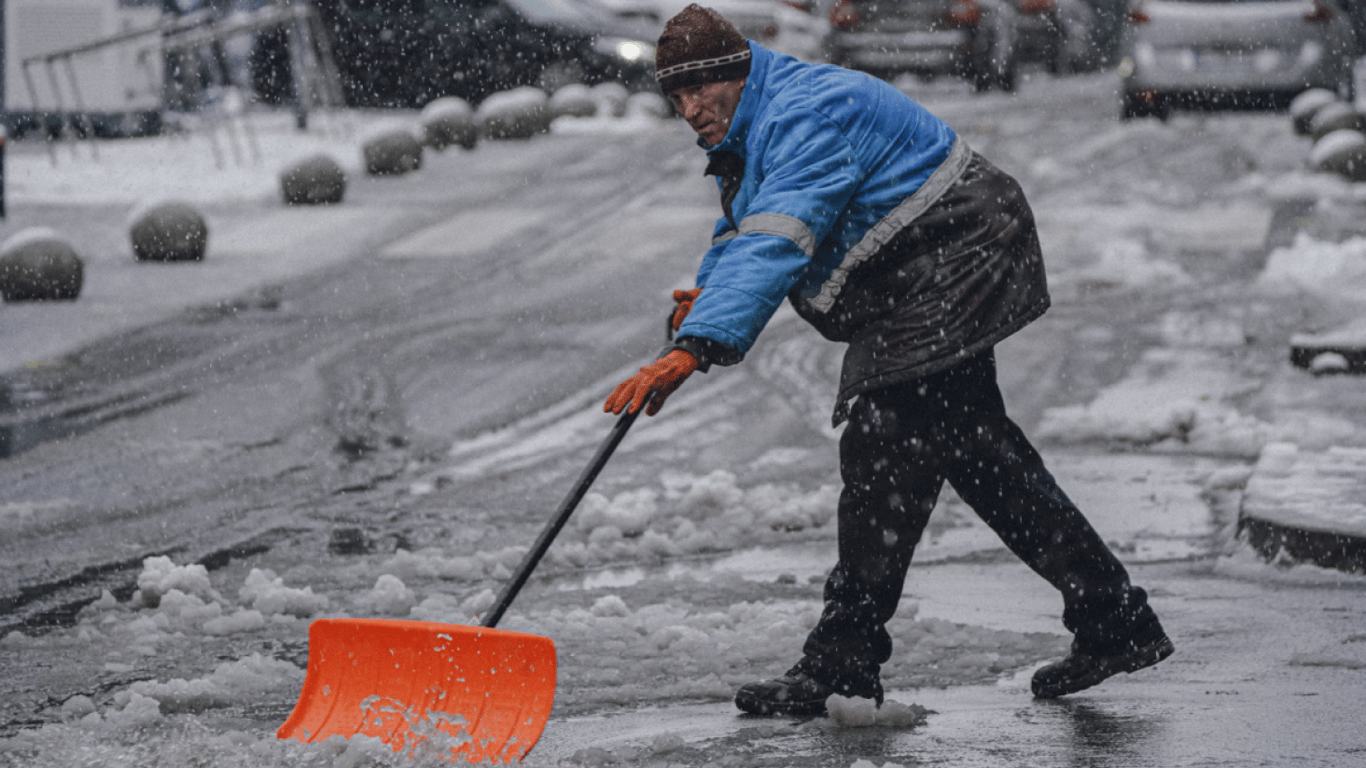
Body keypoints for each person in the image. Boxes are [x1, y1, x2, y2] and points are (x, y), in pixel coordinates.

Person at [603, 4, 1174, 715]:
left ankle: (844, 662)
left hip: (956, 250)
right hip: (926, 263)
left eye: (701, 91)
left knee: (888, 445)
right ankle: (1111, 617)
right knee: (968, 451)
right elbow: (747, 223)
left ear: (739, 74)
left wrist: (698, 345)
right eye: (677, 97)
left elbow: (780, 232)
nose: (690, 110)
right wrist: (708, 291)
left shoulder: (807, 114)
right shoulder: (761, 116)